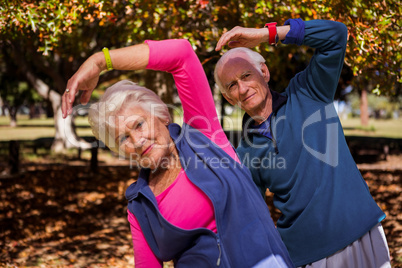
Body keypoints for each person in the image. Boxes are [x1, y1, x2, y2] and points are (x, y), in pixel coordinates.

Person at [61, 39, 294, 267]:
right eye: (123, 138)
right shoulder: (140, 205)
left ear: (162, 115)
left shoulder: (204, 138)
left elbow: (182, 55)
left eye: (139, 124)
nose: (137, 140)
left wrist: (101, 61)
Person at [214, 18, 391, 267]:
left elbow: (336, 35)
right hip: (306, 255)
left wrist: (267, 34)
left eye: (246, 75)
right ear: (228, 98)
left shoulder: (308, 91)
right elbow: (245, 214)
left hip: (360, 232)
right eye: (232, 85)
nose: (242, 88)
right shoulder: (245, 152)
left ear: (264, 72)